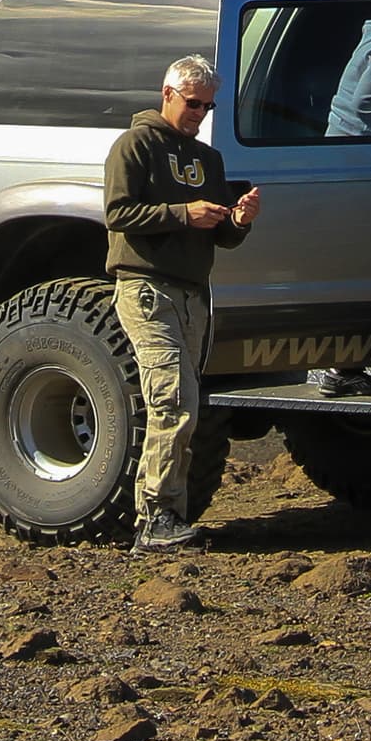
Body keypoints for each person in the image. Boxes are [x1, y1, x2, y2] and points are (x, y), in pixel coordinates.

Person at [102, 54, 258, 549]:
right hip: (146, 288)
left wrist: (238, 219)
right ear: (168, 93)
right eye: (193, 104)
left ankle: (170, 515)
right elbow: (118, 212)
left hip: (193, 294)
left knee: (184, 402)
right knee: (172, 400)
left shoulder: (207, 160)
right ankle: (156, 519)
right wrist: (182, 213)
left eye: (208, 107)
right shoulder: (134, 145)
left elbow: (223, 239)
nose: (199, 114)